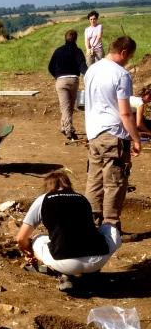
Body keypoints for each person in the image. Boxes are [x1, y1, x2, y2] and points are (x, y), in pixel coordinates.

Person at [16, 170, 121, 292]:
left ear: (47, 186)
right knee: (109, 228)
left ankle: (63, 274)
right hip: (98, 258)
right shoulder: (82, 198)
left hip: (64, 261)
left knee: (38, 238)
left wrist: (29, 252)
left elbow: (20, 238)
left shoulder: (43, 199)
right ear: (68, 185)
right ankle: (91, 272)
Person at [84, 35, 141, 230]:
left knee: (94, 179)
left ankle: (91, 223)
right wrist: (136, 139)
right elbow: (125, 113)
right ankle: (111, 227)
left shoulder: (92, 70)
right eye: (129, 56)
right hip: (113, 135)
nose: (128, 60)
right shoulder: (121, 75)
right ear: (123, 52)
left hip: (94, 133)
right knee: (114, 183)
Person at [47, 29, 87, 141]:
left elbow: (50, 67)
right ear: (76, 39)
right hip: (74, 80)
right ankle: (67, 129)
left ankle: (66, 128)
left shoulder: (58, 51)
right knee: (69, 106)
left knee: (65, 106)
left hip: (61, 81)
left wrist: (57, 76)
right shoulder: (78, 51)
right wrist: (90, 75)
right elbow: (82, 66)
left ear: (65, 38)